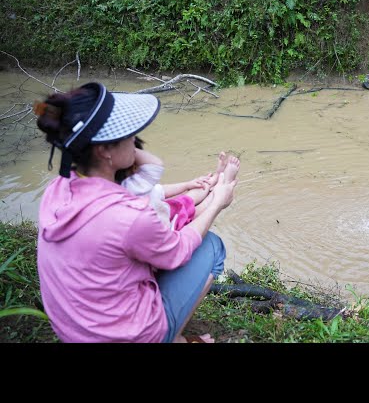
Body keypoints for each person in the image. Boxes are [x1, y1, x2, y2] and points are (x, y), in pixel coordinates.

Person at [34, 81, 238, 343]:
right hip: (128, 337)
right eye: (129, 134)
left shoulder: (58, 188)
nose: (136, 141)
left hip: (74, 332)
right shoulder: (127, 215)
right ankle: (171, 336)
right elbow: (178, 252)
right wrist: (218, 203)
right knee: (212, 245)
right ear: (104, 150)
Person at [116, 138, 240, 231]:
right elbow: (154, 165)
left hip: (166, 208)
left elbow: (161, 190)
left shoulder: (130, 184)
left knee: (194, 190)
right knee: (201, 208)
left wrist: (187, 184)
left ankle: (215, 179)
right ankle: (224, 184)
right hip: (170, 224)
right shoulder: (125, 196)